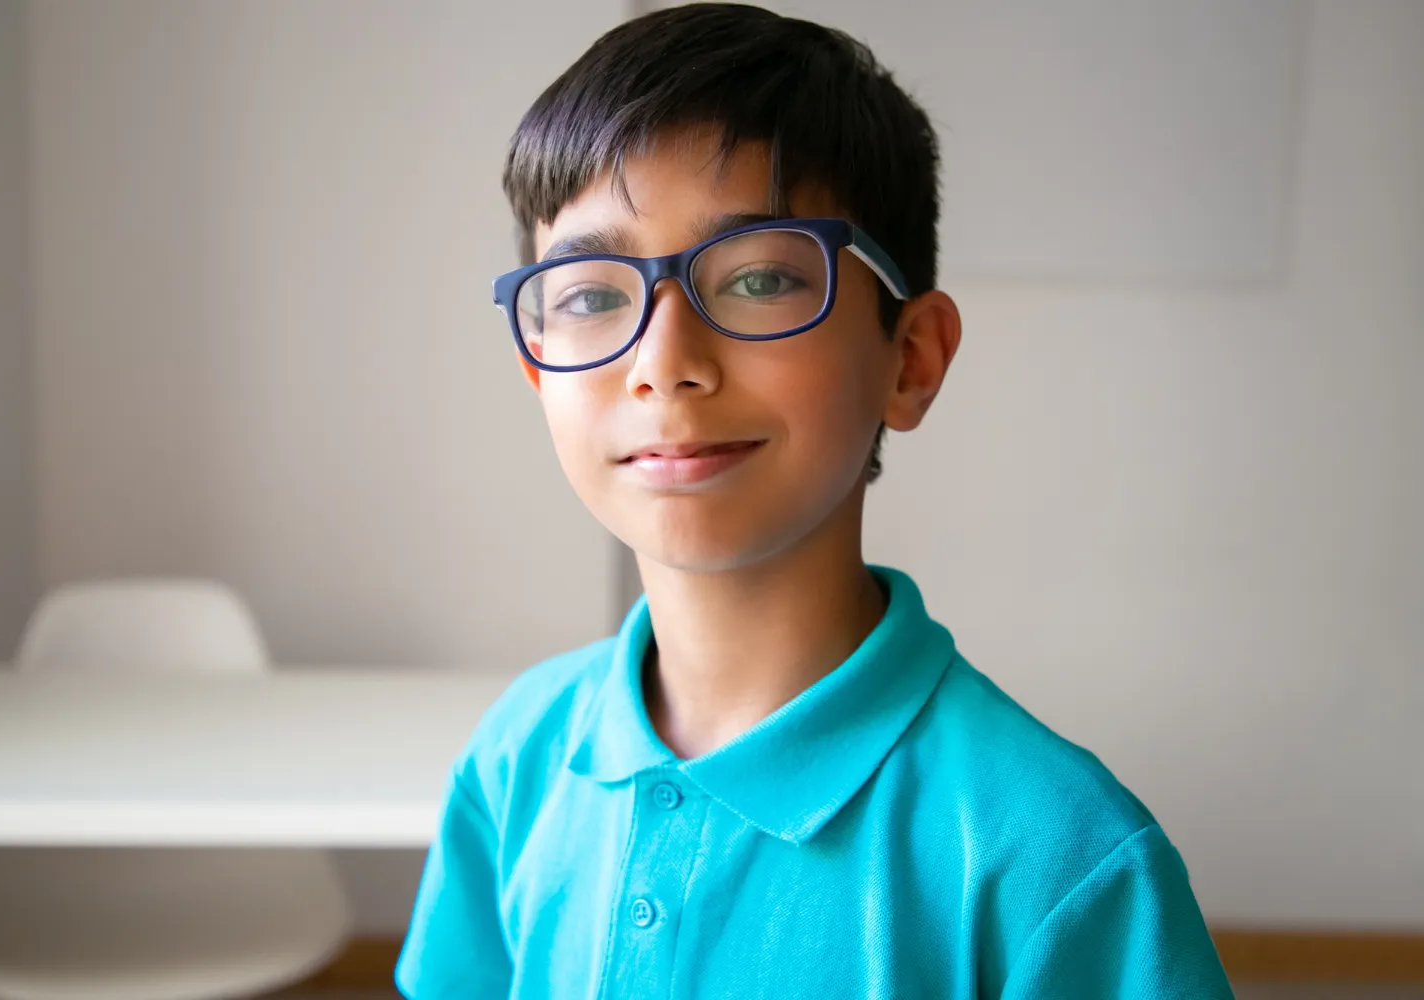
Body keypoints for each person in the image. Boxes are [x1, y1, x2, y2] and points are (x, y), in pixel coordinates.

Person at [396, 4, 1234, 997]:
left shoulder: (1058, 858)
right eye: (588, 293)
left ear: (910, 360)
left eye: (758, 278)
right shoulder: (516, 758)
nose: (664, 365)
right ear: (539, 371)